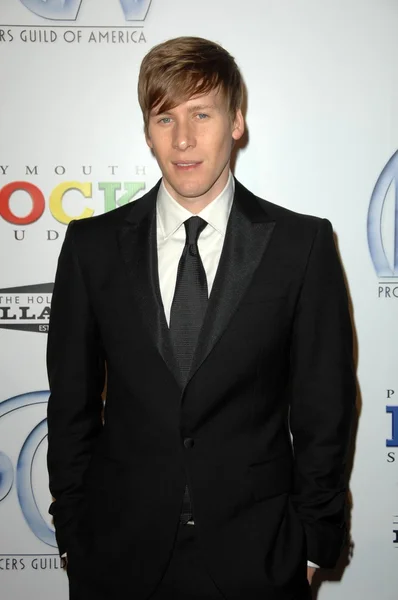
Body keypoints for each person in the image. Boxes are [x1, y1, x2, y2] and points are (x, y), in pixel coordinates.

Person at [46, 36, 355, 600]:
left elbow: (326, 406)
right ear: (146, 130)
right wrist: (73, 532)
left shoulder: (300, 244)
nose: (183, 139)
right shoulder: (91, 247)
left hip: (258, 557)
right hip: (117, 557)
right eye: (164, 117)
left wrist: (312, 541)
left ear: (236, 122)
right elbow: (70, 405)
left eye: (202, 114)